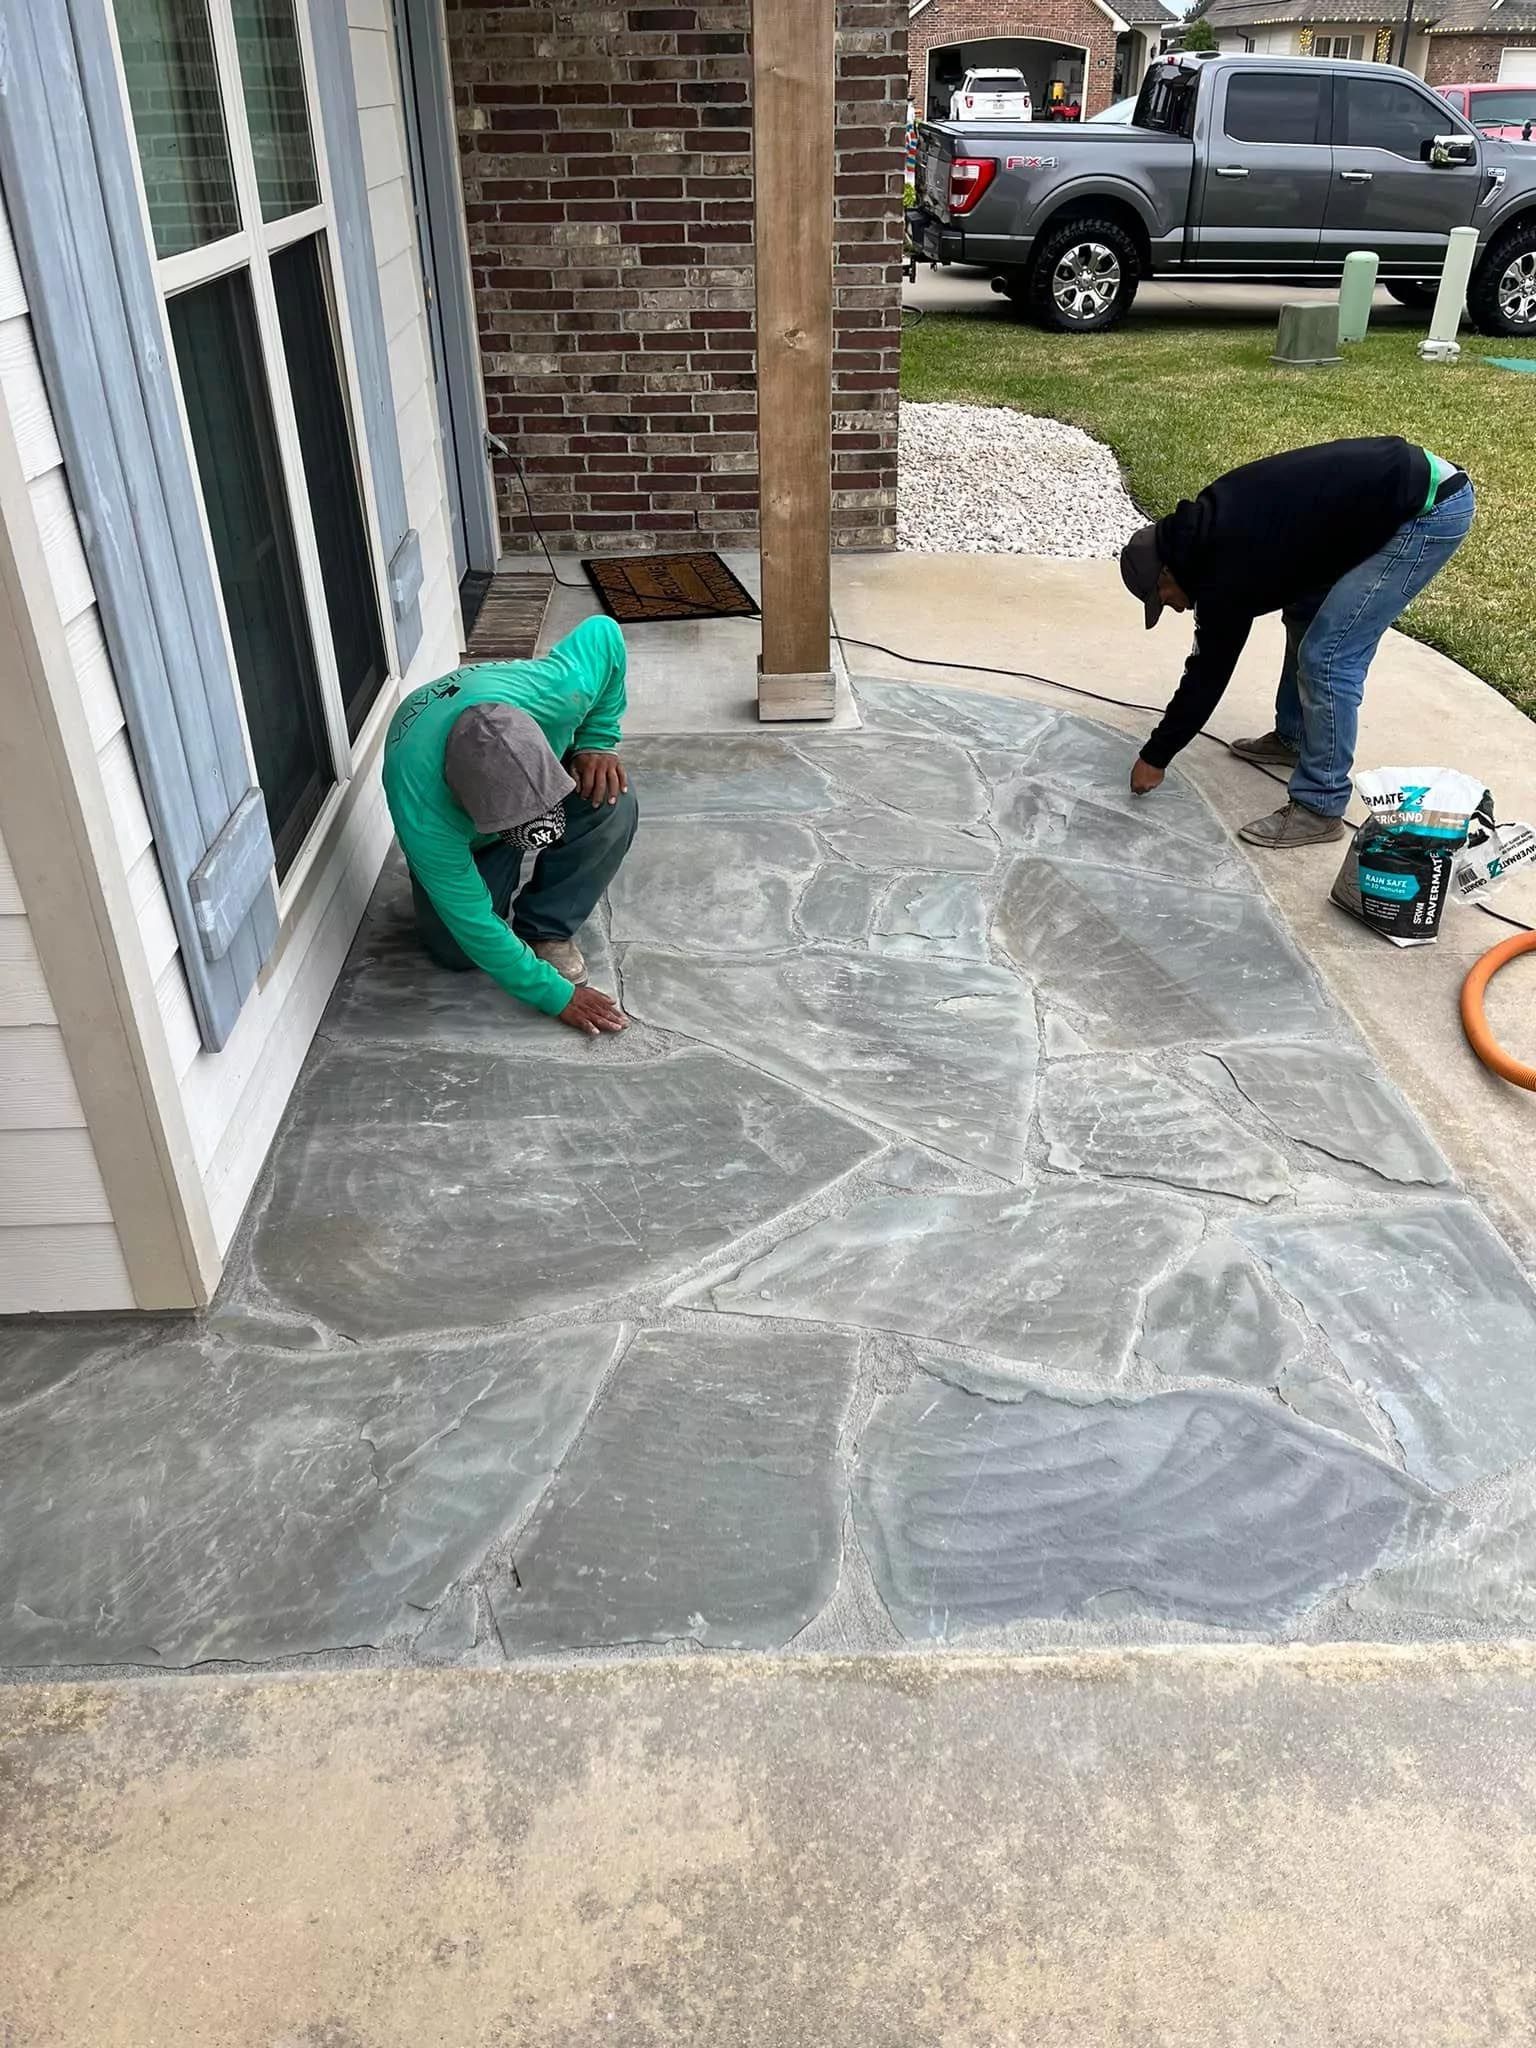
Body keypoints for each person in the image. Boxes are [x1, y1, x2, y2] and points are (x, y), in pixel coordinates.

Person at [1119, 437, 1476, 848]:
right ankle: (1293, 737)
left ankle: (1320, 805)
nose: (1176, 610)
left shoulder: (1223, 566)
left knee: (1329, 656)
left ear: (1167, 573)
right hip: (1374, 506)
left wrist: (1155, 756)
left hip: (1426, 509)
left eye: (1163, 600)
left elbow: (1209, 672)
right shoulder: (1205, 532)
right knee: (1304, 614)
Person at [382, 615, 635, 1036]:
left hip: (519, 721)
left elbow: (604, 631)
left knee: (611, 797)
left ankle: (545, 927)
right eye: (521, 827)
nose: (544, 838)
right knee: (455, 948)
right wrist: (556, 996)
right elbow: (474, 923)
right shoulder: (422, 810)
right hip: (462, 823)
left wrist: (597, 740)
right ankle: (483, 860)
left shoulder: (557, 691)